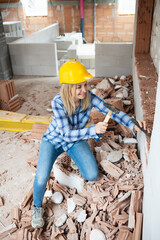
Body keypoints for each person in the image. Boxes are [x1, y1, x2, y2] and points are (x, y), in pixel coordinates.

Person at [31, 60, 149, 228]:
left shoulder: (88, 97)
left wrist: (132, 123)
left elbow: (110, 109)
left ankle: (74, 157)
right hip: (54, 141)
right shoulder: (58, 103)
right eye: (78, 86)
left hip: (75, 141)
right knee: (42, 177)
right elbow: (65, 133)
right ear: (67, 87)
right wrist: (93, 130)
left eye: (85, 85)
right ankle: (37, 207)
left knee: (92, 175)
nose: (84, 90)